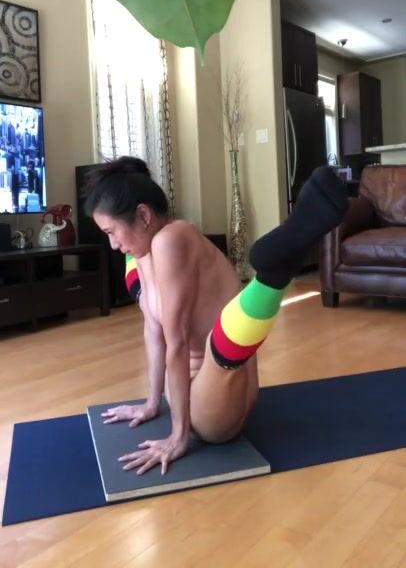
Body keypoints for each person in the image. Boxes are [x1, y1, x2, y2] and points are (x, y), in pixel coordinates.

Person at [84, 156, 348, 476]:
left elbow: (177, 343)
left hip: (218, 409)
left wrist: (178, 437)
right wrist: (151, 404)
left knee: (206, 404)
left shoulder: (171, 238)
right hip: (194, 392)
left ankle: (273, 274)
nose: (113, 244)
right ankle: (275, 271)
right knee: (152, 312)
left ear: (143, 215)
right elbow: (153, 331)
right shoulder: (145, 252)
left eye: (112, 231)